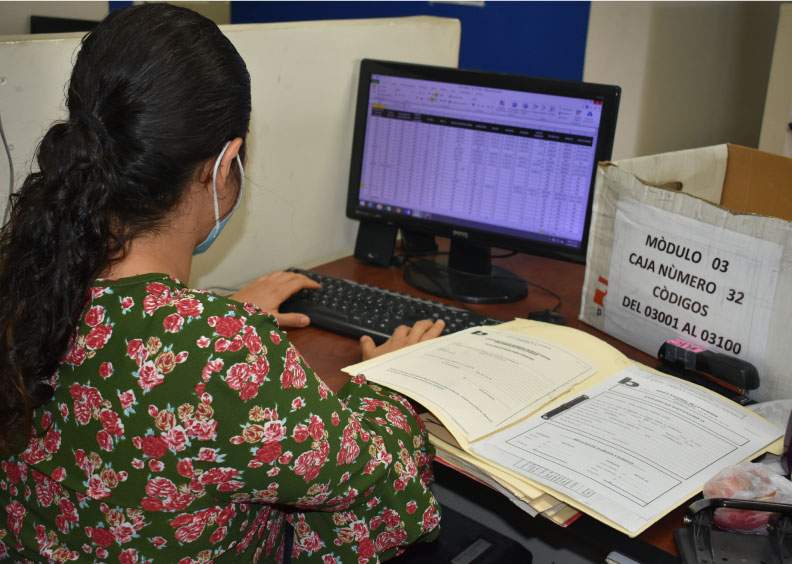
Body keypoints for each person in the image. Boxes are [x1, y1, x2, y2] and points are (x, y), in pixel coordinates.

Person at [0, 4, 446, 563]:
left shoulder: (27, 277)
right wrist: (389, 385)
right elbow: (372, 470)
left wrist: (216, 321)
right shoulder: (215, 350)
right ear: (224, 163)